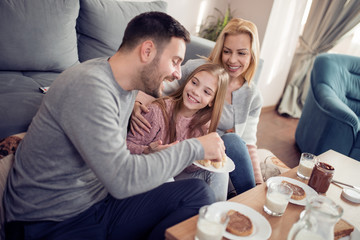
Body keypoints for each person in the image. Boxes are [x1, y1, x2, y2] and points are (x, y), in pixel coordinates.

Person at [3, 12, 227, 240]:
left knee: (199, 194)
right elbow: (123, 180)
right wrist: (195, 147)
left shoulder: (125, 86)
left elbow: (116, 160)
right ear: (147, 51)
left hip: (98, 201)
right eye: (175, 61)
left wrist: (151, 153)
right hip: (51, 221)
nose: (177, 74)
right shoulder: (89, 88)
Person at [131, 18, 263, 197]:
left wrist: (258, 182)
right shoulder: (199, 70)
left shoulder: (252, 95)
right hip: (182, 148)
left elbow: (248, 144)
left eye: (241, 53)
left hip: (215, 153)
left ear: (252, 55)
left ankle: (251, 197)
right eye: (227, 51)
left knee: (233, 142)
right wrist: (135, 102)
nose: (232, 59)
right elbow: (158, 86)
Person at [127, 63, 229, 201]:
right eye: (194, 83)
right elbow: (126, 148)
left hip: (175, 176)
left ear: (212, 102)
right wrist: (146, 151)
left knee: (220, 173)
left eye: (207, 92)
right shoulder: (156, 112)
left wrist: (202, 156)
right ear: (187, 81)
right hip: (151, 177)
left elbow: (189, 168)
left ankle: (215, 218)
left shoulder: (203, 126)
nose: (196, 92)